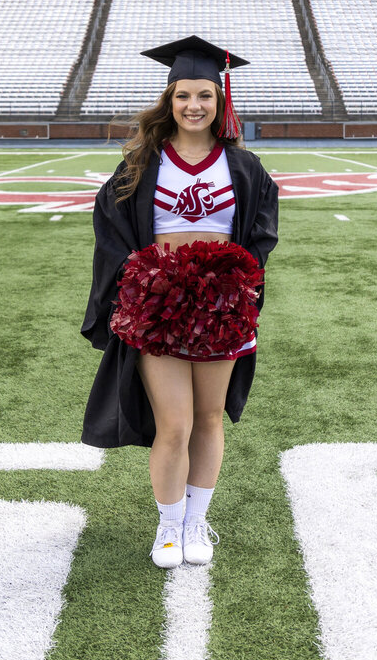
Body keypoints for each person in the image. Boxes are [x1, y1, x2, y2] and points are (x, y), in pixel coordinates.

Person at [81, 36, 279, 569]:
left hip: (221, 308)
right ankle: (168, 527)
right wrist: (140, 282)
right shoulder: (142, 165)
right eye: (183, 96)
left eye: (205, 96)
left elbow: (261, 235)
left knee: (210, 419)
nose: (194, 106)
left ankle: (197, 522)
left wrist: (239, 285)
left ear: (221, 102)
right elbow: (112, 232)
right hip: (160, 307)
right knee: (175, 425)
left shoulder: (244, 167)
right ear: (168, 102)